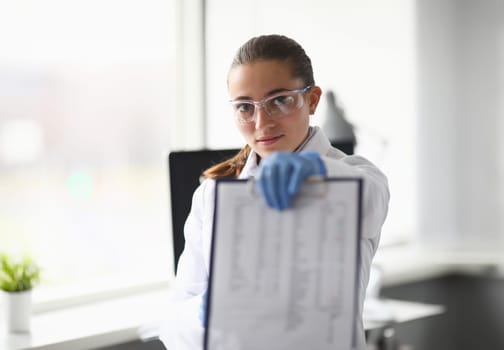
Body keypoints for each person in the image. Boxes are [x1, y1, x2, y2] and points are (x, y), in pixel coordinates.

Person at [160, 34, 389, 350]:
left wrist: (316, 171)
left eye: (280, 100)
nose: (261, 122)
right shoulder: (211, 197)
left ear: (312, 99)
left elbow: (370, 204)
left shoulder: (358, 175)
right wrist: (203, 312)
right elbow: (173, 325)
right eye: (244, 107)